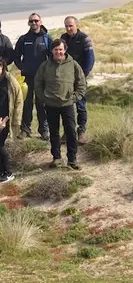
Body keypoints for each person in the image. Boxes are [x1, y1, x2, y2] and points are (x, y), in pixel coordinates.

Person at [35, 39, 87, 170]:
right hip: (51, 104)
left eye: (60, 49)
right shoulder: (45, 65)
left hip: (68, 104)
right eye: (56, 49)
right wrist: (44, 98)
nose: (58, 52)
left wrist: (75, 97)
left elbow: (81, 82)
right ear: (52, 51)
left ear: (65, 50)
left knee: (71, 132)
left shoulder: (73, 64)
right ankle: (56, 158)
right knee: (54, 133)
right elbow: (38, 83)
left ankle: (72, 160)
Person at [14, 13, 52, 140]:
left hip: (43, 78)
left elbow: (52, 57)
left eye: (36, 20)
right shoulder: (24, 39)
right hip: (27, 77)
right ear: (28, 23)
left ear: (40, 22)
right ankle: (25, 129)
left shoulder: (47, 39)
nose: (34, 23)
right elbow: (16, 56)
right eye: (31, 21)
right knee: (26, 103)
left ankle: (44, 130)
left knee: (42, 104)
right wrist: (22, 67)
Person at [60, 16, 95, 143]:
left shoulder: (85, 38)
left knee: (80, 105)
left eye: (71, 25)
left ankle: (81, 131)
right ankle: (68, 132)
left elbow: (90, 60)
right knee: (66, 106)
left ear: (77, 25)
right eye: (66, 26)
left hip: (80, 78)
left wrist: (82, 76)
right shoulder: (63, 38)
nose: (68, 28)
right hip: (65, 78)